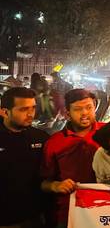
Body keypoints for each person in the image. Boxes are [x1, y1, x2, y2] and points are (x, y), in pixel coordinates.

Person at [40, 89, 105, 228]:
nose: (85, 113)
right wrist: (55, 185)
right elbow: (43, 183)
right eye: (78, 109)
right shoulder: (54, 142)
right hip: (69, 214)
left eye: (89, 107)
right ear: (67, 113)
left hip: (106, 212)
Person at [0, 87, 49, 228]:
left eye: (33, 108)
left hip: (34, 218)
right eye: (23, 109)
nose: (30, 114)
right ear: (4, 112)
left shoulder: (41, 138)